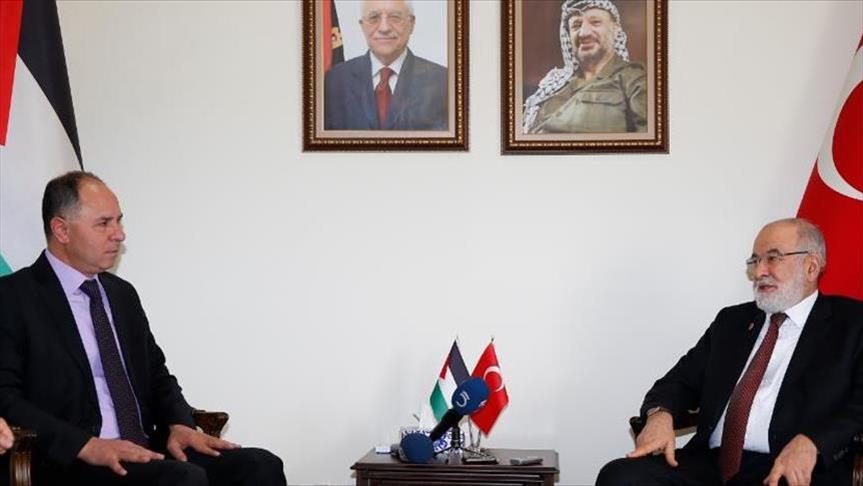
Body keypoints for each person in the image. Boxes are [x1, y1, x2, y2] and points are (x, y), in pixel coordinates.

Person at [0, 171, 287, 486]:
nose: (119, 234)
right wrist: (86, 445)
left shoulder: (121, 294)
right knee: (183, 479)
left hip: (144, 449)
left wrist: (179, 422)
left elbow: (157, 374)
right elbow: (6, 399)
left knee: (261, 466)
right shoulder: (13, 298)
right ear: (62, 230)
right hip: (72, 460)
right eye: (104, 223)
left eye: (119, 221)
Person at [597, 218, 863, 486]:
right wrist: (659, 414)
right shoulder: (732, 322)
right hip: (710, 464)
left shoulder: (852, 324)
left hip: (787, 469)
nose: (759, 271)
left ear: (811, 266)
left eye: (772, 258)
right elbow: (679, 381)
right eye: (755, 260)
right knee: (621, 476)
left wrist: (815, 442)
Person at [523, 0, 647, 134]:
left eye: (595, 22)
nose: (584, 33)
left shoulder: (634, 79)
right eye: (576, 25)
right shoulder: (554, 84)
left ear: (616, 29)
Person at [324, 0, 448, 130]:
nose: (384, 28)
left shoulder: (444, 81)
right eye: (374, 18)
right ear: (362, 25)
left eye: (395, 17)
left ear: (412, 24)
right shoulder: (334, 80)